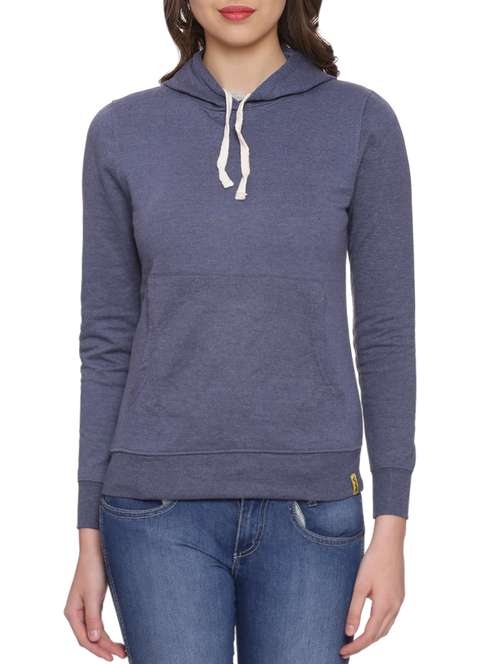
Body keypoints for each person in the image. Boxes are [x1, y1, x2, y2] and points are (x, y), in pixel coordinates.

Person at [64, 1, 416, 662]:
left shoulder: (361, 122)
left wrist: (393, 525)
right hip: (152, 512)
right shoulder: (122, 130)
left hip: (314, 508)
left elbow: (387, 334)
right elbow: (107, 340)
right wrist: (87, 534)